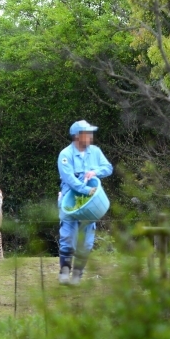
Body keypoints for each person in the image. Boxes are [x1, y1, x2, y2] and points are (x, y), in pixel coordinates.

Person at [57, 120, 113, 285]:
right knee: (67, 237)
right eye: (86, 133)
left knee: (87, 240)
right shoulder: (65, 155)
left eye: (90, 133)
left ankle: (77, 275)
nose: (90, 136)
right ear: (77, 136)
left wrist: (94, 171)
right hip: (70, 200)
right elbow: (69, 179)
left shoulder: (95, 151)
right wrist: (86, 190)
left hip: (91, 202)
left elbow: (108, 168)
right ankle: (64, 272)